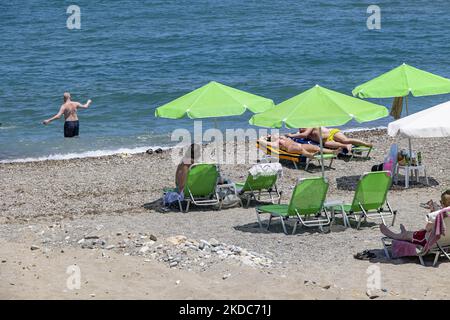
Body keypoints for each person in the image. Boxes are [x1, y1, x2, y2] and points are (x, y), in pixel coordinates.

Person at [380, 190, 450, 246]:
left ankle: (394, 235)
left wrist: (432, 213)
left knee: (410, 234)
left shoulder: (439, 215)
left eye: (440, 202)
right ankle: (405, 233)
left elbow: (428, 228)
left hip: (430, 241)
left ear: (442, 203)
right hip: (447, 242)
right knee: (419, 231)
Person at [288, 127, 373, 152]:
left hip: (332, 133)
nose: (300, 129)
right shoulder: (303, 134)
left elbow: (304, 134)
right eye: (299, 128)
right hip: (326, 141)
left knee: (345, 140)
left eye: (301, 127)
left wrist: (291, 135)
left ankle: (366, 144)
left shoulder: (310, 125)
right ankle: (346, 146)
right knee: (327, 144)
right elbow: (302, 136)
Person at [259, 134, 342, 159]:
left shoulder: (281, 137)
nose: (271, 134)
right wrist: (264, 138)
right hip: (290, 148)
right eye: (270, 136)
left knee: (315, 147)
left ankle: (333, 151)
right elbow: (260, 141)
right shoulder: (275, 143)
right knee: (300, 149)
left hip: (299, 144)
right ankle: (310, 156)